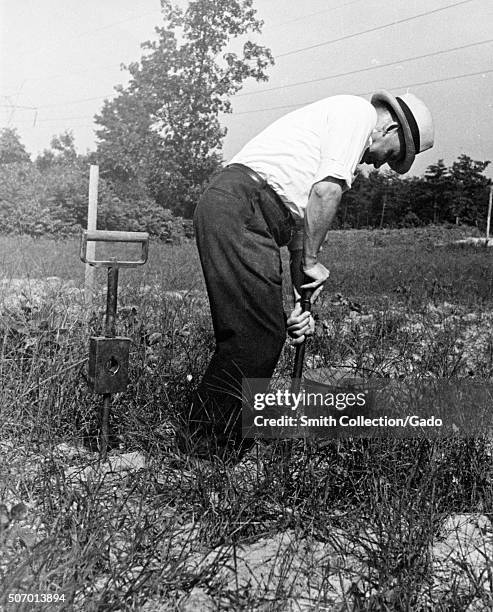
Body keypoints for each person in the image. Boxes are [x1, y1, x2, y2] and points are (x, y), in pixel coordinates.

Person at [184, 89, 434, 460]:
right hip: (242, 204)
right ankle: (204, 451)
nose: (381, 165)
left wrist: (302, 300)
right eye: (394, 155)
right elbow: (325, 192)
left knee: (261, 332)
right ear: (391, 127)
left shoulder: (338, 127)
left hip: (254, 214)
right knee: (255, 334)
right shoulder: (356, 115)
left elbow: (301, 221)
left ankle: (213, 441)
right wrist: (312, 260)